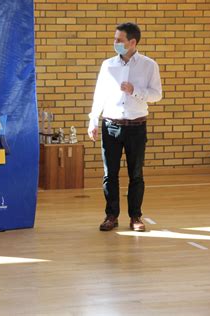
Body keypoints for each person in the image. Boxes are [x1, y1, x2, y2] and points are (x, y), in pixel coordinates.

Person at [87, 22, 162, 232]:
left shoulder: (149, 65)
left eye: (119, 40)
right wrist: (93, 120)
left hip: (136, 127)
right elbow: (98, 95)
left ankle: (136, 217)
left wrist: (135, 90)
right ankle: (111, 216)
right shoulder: (107, 65)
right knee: (109, 174)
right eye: (114, 39)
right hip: (110, 125)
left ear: (132, 42)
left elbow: (157, 94)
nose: (115, 43)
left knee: (135, 174)